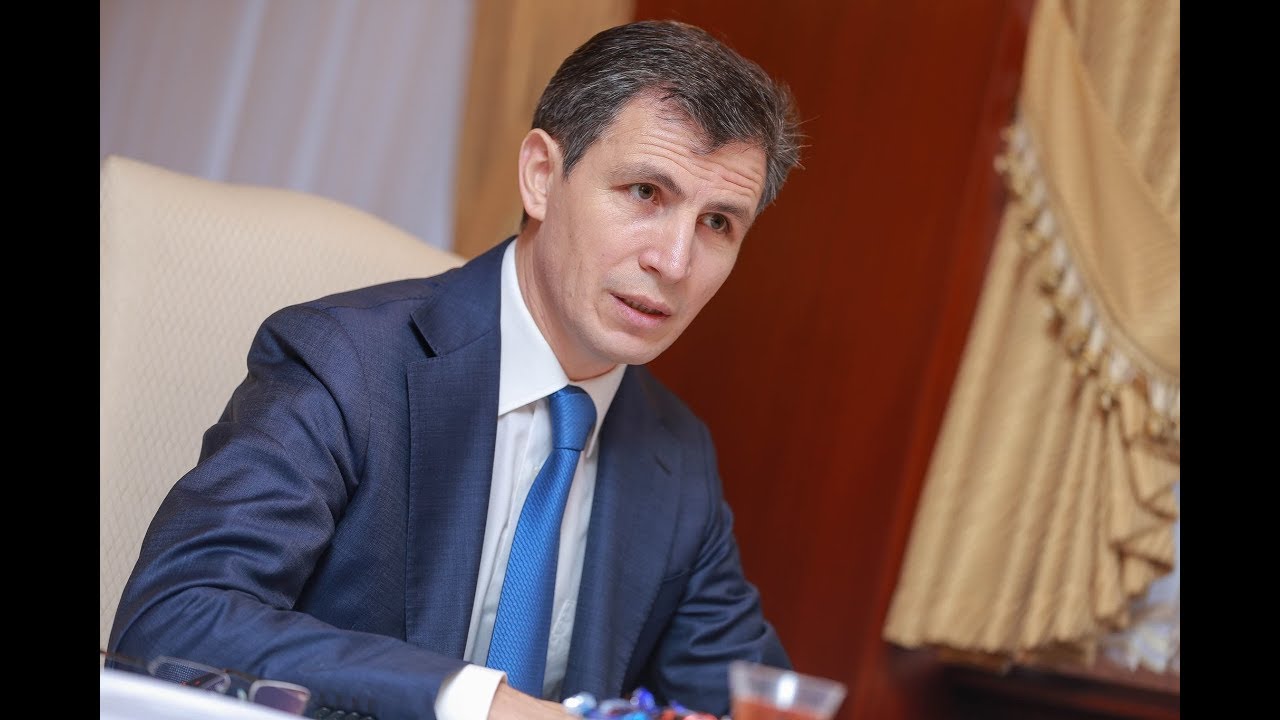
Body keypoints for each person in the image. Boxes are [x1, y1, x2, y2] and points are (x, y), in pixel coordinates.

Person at [109, 18, 802, 720]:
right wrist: (479, 703)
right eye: (645, 192)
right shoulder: (346, 362)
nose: (675, 262)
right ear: (541, 176)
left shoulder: (676, 454)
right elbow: (176, 619)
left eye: (718, 223)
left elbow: (748, 698)